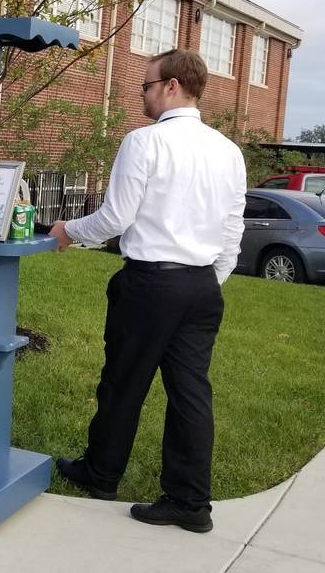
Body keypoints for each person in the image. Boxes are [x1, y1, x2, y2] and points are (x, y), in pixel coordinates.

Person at [49, 48, 246, 533]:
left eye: (146, 84)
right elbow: (232, 230)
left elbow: (116, 218)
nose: (142, 92)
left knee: (123, 382)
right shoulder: (228, 150)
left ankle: (100, 474)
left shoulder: (144, 142)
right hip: (201, 286)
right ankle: (190, 502)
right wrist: (206, 279)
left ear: (172, 86)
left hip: (152, 282)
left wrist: (67, 231)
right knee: (191, 393)